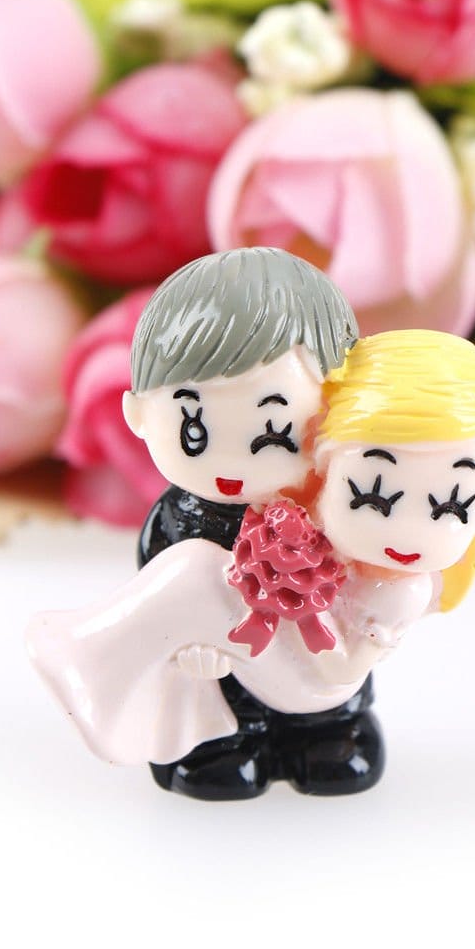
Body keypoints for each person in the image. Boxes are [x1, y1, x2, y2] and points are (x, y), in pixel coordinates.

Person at [27, 327, 475, 800]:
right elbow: (160, 574)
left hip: (318, 689)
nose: (405, 533)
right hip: (239, 673)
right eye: (370, 497)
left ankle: (88, 657)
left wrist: (309, 615)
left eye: (450, 507)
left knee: (204, 579)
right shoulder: (264, 521)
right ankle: (191, 721)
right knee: (200, 576)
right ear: (326, 467)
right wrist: (200, 646)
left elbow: (337, 671)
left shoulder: (400, 588)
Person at [121, 247, 378, 799]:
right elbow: (156, 595)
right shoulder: (179, 519)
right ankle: (224, 741)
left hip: (318, 662)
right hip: (221, 667)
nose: (233, 463)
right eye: (194, 431)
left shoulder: (336, 508)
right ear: (138, 414)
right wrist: (184, 642)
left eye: (273, 431)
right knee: (218, 714)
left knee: (328, 714)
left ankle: (329, 729)